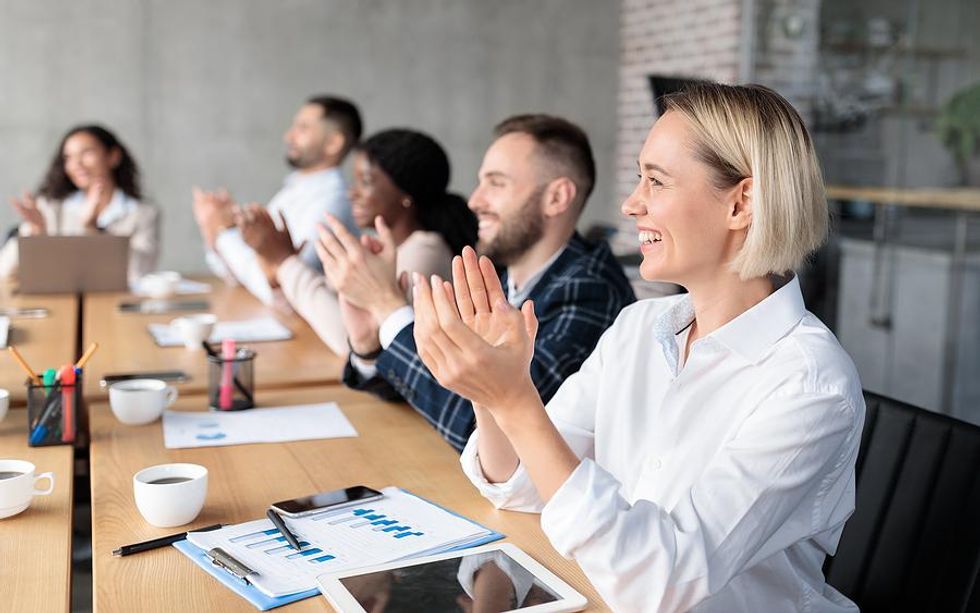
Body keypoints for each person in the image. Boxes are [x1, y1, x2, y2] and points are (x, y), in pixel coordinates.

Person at [412, 83, 865, 611]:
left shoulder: (809, 385)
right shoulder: (638, 328)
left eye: (656, 181)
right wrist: (489, 389)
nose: (631, 204)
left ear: (741, 203)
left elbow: (662, 580)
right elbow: (521, 489)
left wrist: (514, 399)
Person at [322, 114, 635, 451]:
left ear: (557, 198)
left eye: (496, 183)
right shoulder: (499, 276)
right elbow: (428, 382)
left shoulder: (590, 291)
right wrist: (370, 342)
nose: (474, 200)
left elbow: (490, 434)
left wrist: (387, 307)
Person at [237, 128, 477, 356]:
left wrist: (284, 261)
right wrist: (276, 263)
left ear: (405, 194)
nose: (353, 192)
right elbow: (318, 310)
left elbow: (352, 340)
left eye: (366, 181)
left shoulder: (425, 251)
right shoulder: (383, 247)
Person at [193, 95, 360, 305]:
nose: (288, 136)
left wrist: (224, 232)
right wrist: (213, 230)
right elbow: (239, 276)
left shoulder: (334, 202)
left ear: (334, 143)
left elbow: (280, 290)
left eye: (303, 128)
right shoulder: (292, 191)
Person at [0, 125, 159, 282]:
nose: (76, 164)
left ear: (113, 156)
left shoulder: (142, 213)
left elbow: (140, 272)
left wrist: (93, 230)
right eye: (68, 157)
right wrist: (35, 234)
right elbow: (4, 270)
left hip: (113, 304)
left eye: (87, 153)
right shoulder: (50, 208)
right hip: (57, 305)